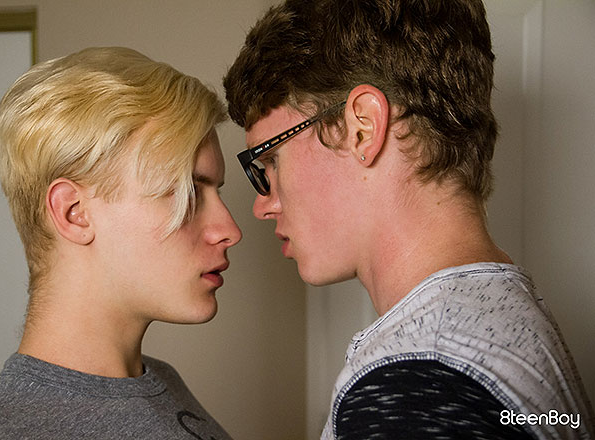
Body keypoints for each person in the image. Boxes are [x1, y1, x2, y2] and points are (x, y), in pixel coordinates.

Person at [223, 1, 594, 439]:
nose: (263, 206)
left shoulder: (413, 391)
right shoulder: (501, 321)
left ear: (363, 128)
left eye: (271, 160)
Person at [0, 47, 241, 439]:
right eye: (188, 193)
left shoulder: (161, 382)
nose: (229, 229)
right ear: (74, 212)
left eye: (216, 192)